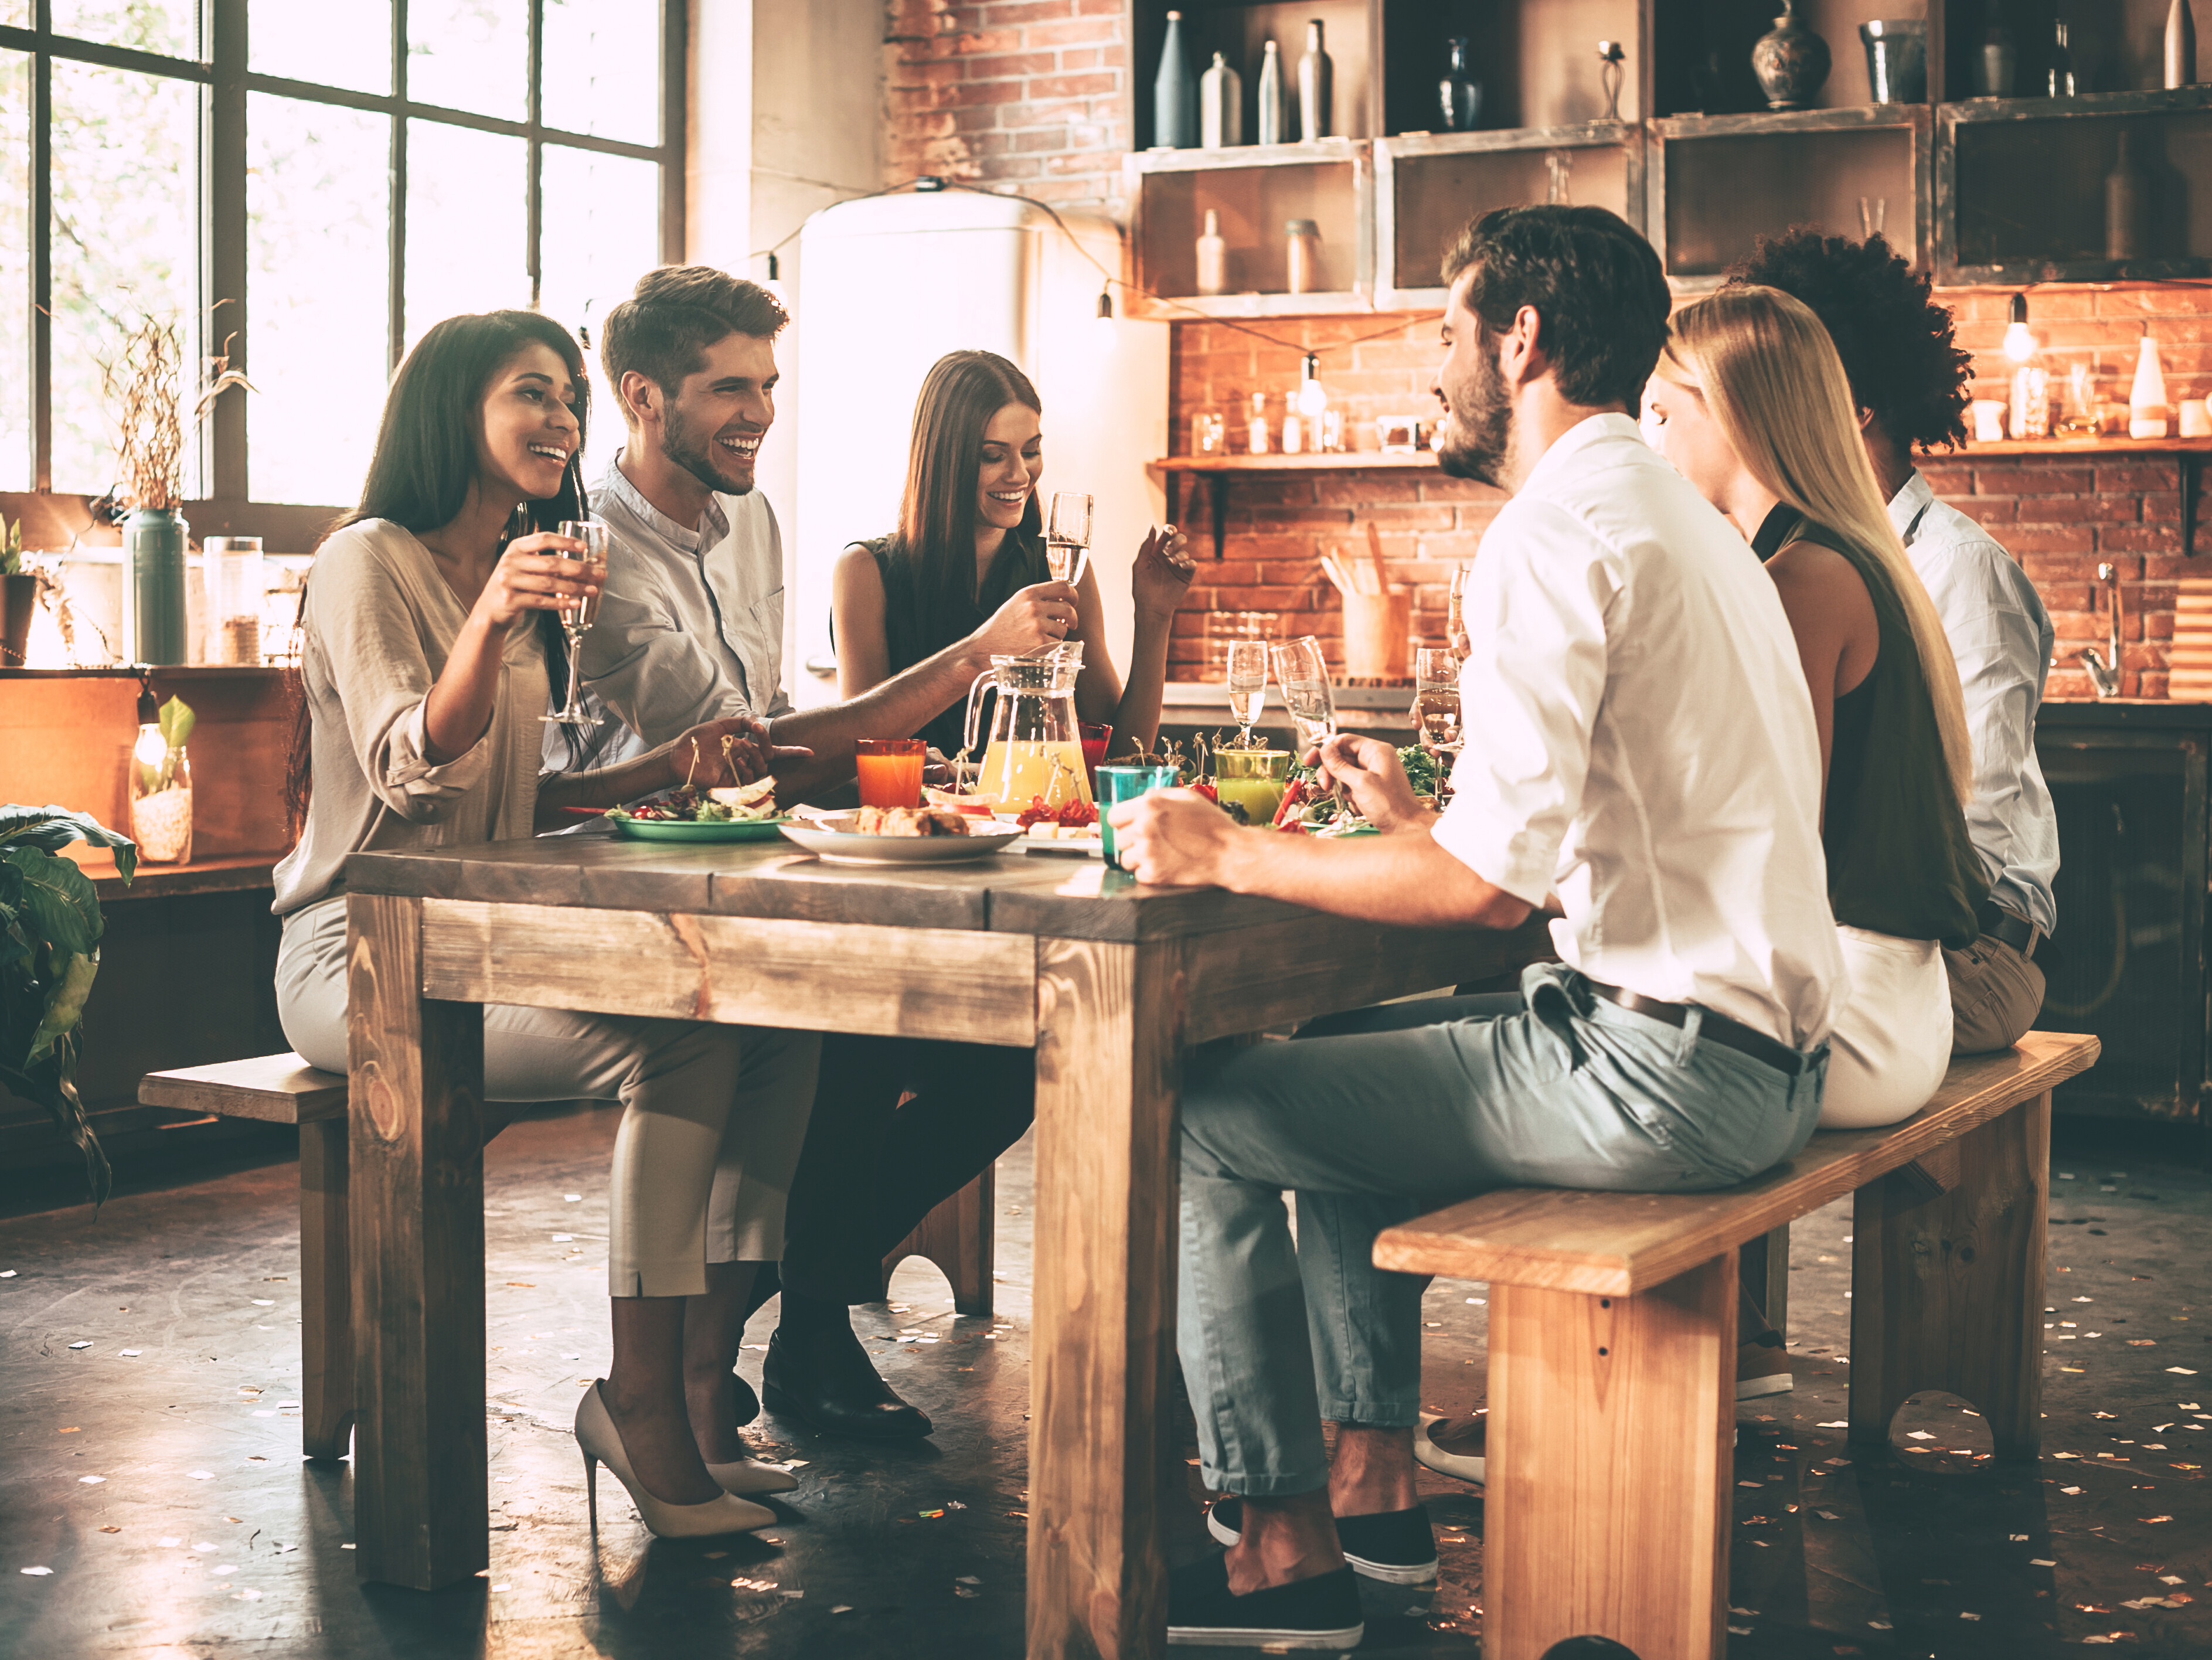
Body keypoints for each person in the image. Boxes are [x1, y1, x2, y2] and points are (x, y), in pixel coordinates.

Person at [1106, 205, 1846, 1651]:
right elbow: (1569, 849)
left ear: (1521, 340)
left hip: (1666, 1080)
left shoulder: (1553, 529)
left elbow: (1483, 897)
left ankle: (1277, 1545)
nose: (1432, 366)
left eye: (1447, 332)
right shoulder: (1687, 524)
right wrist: (1414, 834)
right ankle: (1372, 1486)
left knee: (1198, 1113)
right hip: (1761, 1058)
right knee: (1344, 1043)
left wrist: (1230, 849)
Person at [271, 309, 818, 1540]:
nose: (562, 419)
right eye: (531, 393)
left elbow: (523, 791)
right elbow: (413, 770)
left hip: (484, 939)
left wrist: (665, 765)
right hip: (356, 958)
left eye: (570, 397)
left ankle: (695, 1381)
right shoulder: (369, 560)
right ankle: (633, 1404)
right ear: (450, 412)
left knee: (775, 1021)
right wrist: (490, 620)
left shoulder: (525, 558)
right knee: (679, 1042)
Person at [744, 350, 1194, 1441]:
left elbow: (1111, 755)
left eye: (1030, 453)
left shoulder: (1056, 579)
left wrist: (1150, 613)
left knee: (1005, 1084)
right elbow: (870, 751)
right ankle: (808, 1324)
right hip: (899, 896)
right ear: (944, 459)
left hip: (1017, 895)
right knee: (856, 1058)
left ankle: (798, 1307)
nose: (1015, 474)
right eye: (992, 454)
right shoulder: (872, 572)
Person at [1643, 284, 1986, 1133]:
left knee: (1453, 1056)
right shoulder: (1845, 556)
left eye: (1657, 415)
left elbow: (1769, 842)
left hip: (1846, 1017)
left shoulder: (1802, 581)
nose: (1646, 444)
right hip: (1891, 1000)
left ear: (1733, 414)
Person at [1730, 229, 2058, 1054]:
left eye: (1776, 384)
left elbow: (1964, 831)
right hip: (1880, 931)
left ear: (1848, 406)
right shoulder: (1803, 558)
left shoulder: (1958, 571)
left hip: (1970, 955)